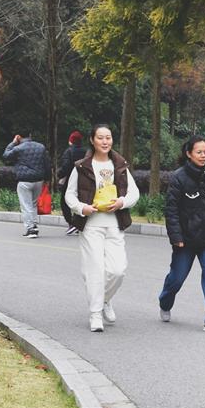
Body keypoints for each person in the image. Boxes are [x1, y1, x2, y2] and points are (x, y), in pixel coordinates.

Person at [64, 124, 140, 332]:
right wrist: (82, 208)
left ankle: (105, 299)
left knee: (118, 270)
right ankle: (95, 314)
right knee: (95, 270)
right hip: (91, 226)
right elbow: (69, 195)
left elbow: (134, 193)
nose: (105, 141)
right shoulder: (81, 166)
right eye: (100, 137)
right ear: (92, 140)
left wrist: (122, 202)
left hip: (115, 224)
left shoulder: (120, 165)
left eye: (108, 137)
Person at [158, 135, 205, 332]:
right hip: (185, 241)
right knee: (176, 279)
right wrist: (176, 237)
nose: (203, 156)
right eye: (199, 152)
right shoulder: (178, 177)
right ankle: (165, 302)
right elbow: (171, 210)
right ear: (189, 154)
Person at [2, 131, 51, 238]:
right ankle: (34, 225)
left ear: (18, 137)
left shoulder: (18, 148)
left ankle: (31, 228)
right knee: (33, 204)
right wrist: (47, 179)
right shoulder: (41, 147)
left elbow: (6, 155)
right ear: (30, 135)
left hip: (24, 181)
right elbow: (47, 164)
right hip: (39, 180)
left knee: (26, 205)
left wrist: (13, 143)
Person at [58, 130, 87, 235]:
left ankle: (72, 223)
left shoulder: (69, 151)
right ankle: (79, 222)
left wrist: (59, 174)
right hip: (84, 180)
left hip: (70, 180)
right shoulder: (86, 151)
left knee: (65, 201)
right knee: (80, 200)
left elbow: (65, 167)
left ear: (71, 141)